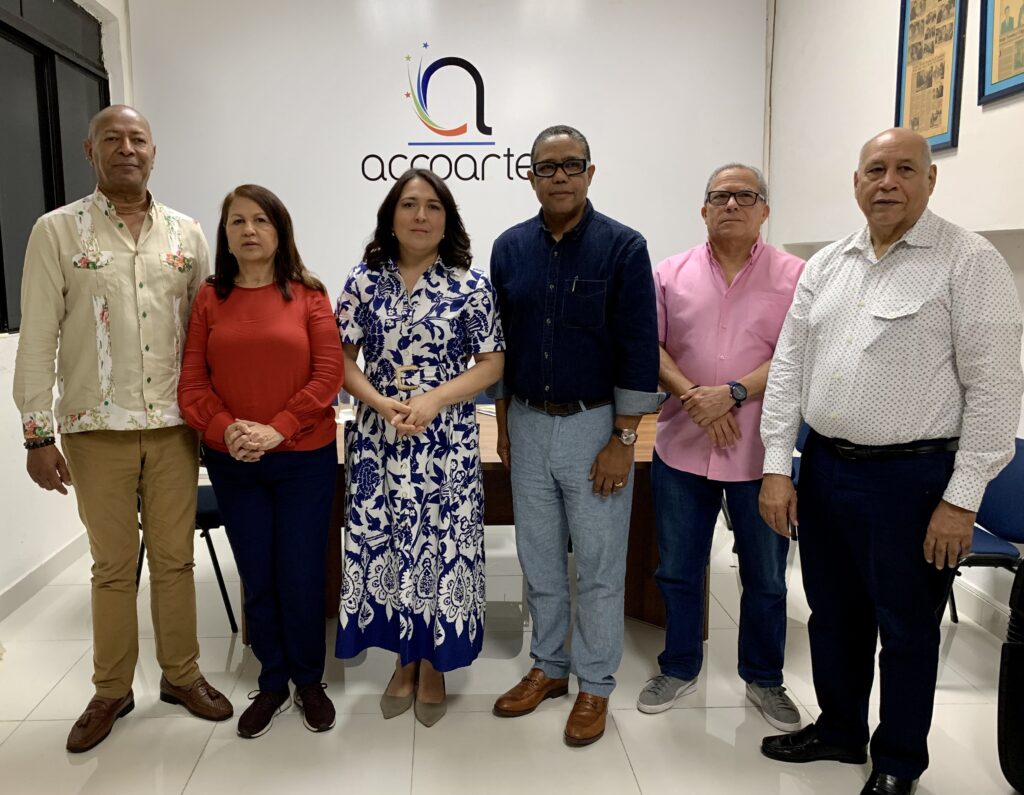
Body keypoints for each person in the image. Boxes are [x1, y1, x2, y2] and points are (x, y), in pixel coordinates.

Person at [758, 128, 1024, 795]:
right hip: (825, 469)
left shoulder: (969, 261)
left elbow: (995, 391)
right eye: (875, 169)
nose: (888, 182)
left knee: (905, 629)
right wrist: (777, 465)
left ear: (931, 179)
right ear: (856, 182)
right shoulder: (827, 264)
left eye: (905, 169)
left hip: (914, 481)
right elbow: (788, 369)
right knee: (831, 614)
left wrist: (961, 500)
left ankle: (900, 761)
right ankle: (840, 729)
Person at [13, 105, 232, 753]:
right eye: (113, 139)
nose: (127, 148)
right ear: (91, 150)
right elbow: (38, 337)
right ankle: (111, 689)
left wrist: (217, 418)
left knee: (174, 559)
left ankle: (181, 675)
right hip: (94, 428)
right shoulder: (57, 232)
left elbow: (207, 333)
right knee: (112, 565)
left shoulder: (186, 234)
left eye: (138, 139)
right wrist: (36, 434)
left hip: (172, 428)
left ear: (154, 152)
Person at [490, 125, 661, 746]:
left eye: (571, 165)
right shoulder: (510, 248)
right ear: (531, 175)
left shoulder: (623, 247)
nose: (559, 175)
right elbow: (498, 344)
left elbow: (640, 347)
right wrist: (504, 424)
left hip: (596, 426)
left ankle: (595, 684)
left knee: (598, 565)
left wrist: (624, 439)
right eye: (547, 166)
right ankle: (549, 667)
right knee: (539, 560)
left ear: (591, 172)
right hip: (527, 421)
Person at [334, 168, 504, 728]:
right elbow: (340, 359)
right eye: (409, 204)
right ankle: (402, 660)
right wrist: (380, 403)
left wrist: (433, 399)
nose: (421, 216)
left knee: (441, 546)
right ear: (391, 216)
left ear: (447, 219)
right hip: (379, 438)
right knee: (388, 546)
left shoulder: (471, 285)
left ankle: (435, 662)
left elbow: (492, 364)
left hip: (446, 440)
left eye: (433, 206)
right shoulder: (363, 281)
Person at [637, 164, 804, 732]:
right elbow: (650, 346)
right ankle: (678, 666)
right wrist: (694, 397)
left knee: (767, 576)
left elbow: (797, 356)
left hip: (761, 455)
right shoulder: (669, 274)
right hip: (681, 447)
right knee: (678, 570)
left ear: (764, 210)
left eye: (745, 196)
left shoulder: (797, 276)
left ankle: (764, 677)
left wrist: (731, 393)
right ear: (703, 210)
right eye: (720, 196)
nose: (732, 204)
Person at [177, 184, 344, 738]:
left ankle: (309, 680)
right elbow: (192, 383)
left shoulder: (309, 294)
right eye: (237, 221)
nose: (249, 230)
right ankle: (272, 681)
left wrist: (279, 428)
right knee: (258, 573)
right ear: (225, 234)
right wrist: (228, 430)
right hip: (234, 462)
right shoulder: (209, 298)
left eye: (261, 220)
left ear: (279, 230)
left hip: (303, 459)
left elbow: (328, 375)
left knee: (301, 574)